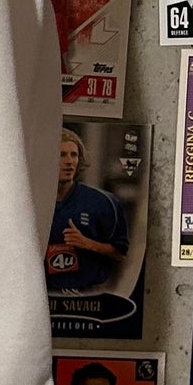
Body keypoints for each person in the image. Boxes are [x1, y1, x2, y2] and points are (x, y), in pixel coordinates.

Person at [44, 126, 131, 302]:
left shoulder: (101, 202)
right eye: (62, 155)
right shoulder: (30, 200)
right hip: (41, 297)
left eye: (74, 155)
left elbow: (121, 253)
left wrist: (87, 243)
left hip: (88, 297)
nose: (69, 161)